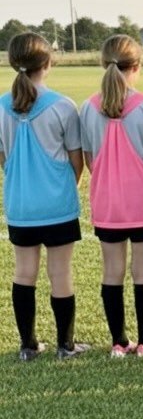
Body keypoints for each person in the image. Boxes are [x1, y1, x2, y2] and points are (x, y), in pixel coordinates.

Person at [0, 32, 89, 360]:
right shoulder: (63, 106)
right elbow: (76, 160)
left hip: (20, 204)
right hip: (57, 204)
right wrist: (66, 188)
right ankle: (65, 346)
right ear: (47, 63)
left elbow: (4, 158)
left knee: (23, 273)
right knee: (60, 273)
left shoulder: (0, 107)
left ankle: (28, 346)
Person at [80, 34, 143, 358]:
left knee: (112, 270)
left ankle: (118, 343)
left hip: (107, 204)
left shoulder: (87, 109)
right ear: (137, 66)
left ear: (104, 65)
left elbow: (91, 162)